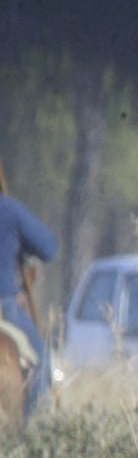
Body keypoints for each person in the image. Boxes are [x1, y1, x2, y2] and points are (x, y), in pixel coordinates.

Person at [0, 160, 58, 416]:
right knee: (41, 365)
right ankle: (32, 431)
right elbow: (49, 248)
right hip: (4, 306)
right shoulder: (8, 210)